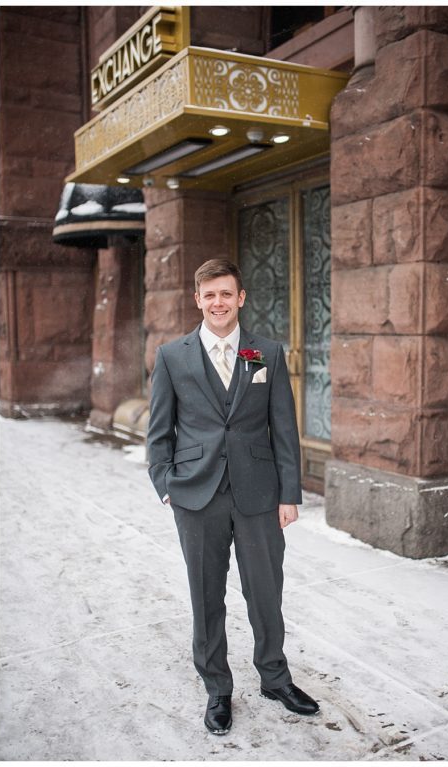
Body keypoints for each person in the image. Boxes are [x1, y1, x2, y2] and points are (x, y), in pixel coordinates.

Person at [145, 258, 319, 736]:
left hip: (259, 492)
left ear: (240, 298)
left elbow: (283, 427)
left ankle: (275, 679)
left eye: (226, 293)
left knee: (265, 590)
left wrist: (289, 493)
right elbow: (158, 431)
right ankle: (217, 688)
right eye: (210, 295)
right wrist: (166, 486)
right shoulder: (172, 356)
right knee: (206, 595)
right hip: (196, 494)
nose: (218, 302)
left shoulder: (265, 353)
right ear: (197, 300)